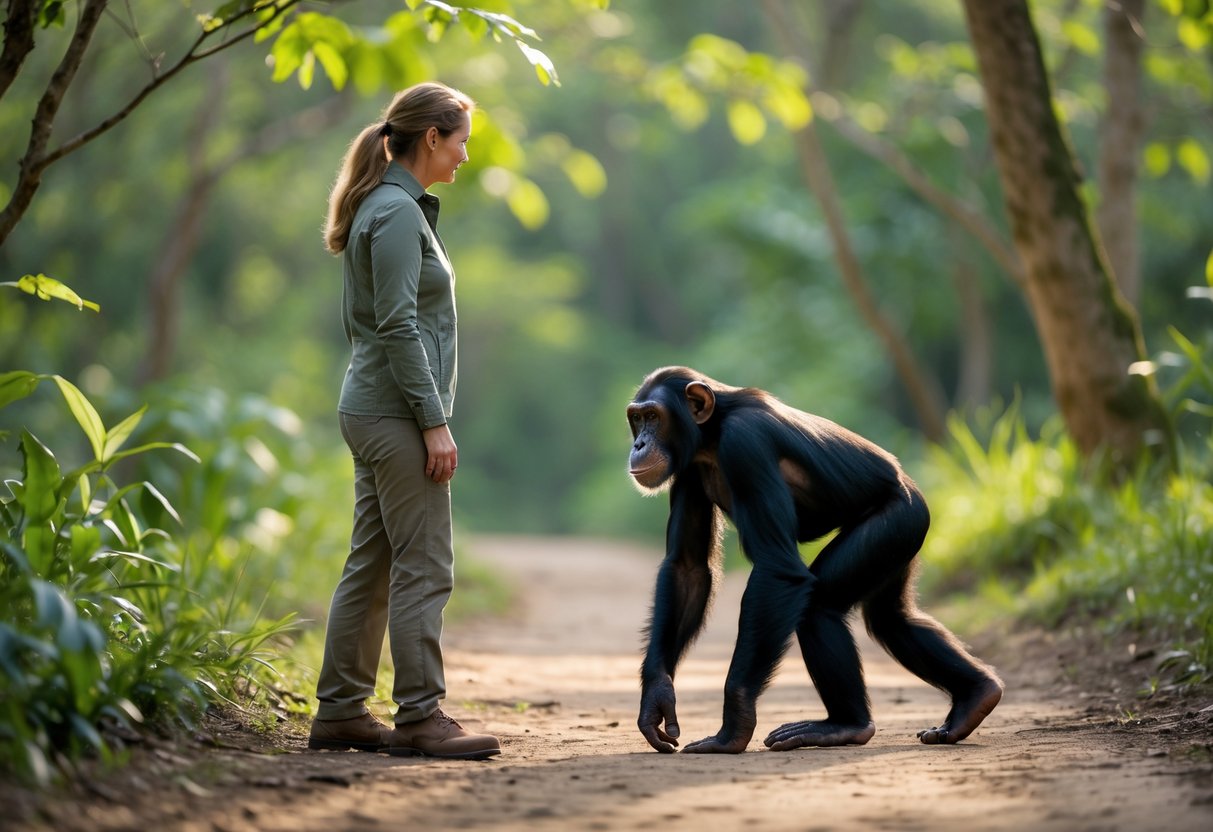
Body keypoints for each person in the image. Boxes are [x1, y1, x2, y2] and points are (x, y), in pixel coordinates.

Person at [308, 82, 500, 761]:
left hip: (376, 407)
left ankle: (340, 712)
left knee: (374, 563)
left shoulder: (394, 208)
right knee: (424, 564)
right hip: (392, 412)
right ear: (430, 139)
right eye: (460, 142)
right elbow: (396, 326)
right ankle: (420, 718)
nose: (464, 156)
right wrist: (433, 421)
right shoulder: (393, 214)